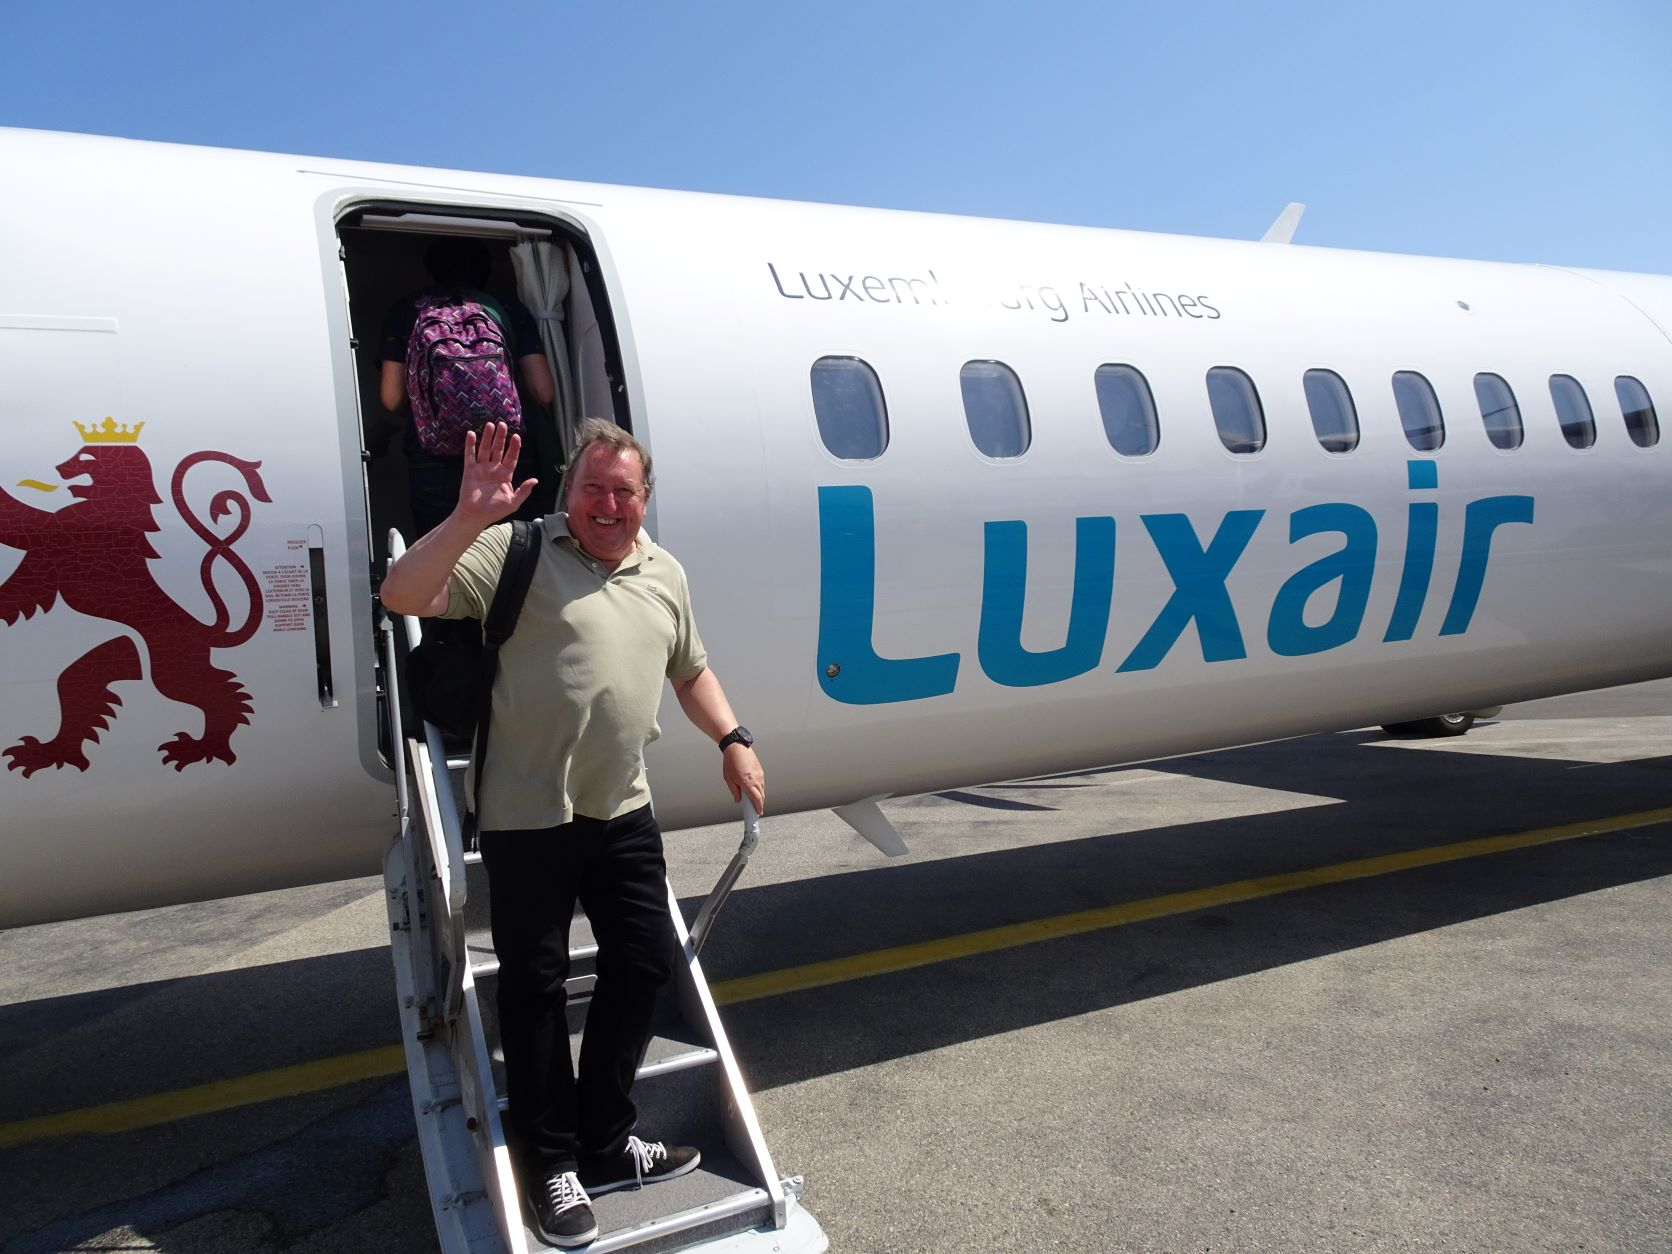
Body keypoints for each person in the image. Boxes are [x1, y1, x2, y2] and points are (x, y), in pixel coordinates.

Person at [380, 418, 764, 1249]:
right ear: (569, 492)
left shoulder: (664, 572)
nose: (609, 504)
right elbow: (403, 595)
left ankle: (605, 1139)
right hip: (527, 813)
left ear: (645, 499)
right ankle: (551, 1163)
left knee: (645, 962)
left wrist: (732, 739)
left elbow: (690, 668)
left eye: (625, 491)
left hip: (621, 805)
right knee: (536, 986)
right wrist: (467, 518)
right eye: (594, 488)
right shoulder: (516, 549)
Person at [379, 237, 557, 538]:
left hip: (432, 460)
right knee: (507, 550)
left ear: (431, 271)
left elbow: (391, 398)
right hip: (504, 455)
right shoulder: (507, 309)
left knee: (442, 553)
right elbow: (543, 391)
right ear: (485, 271)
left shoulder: (407, 310)